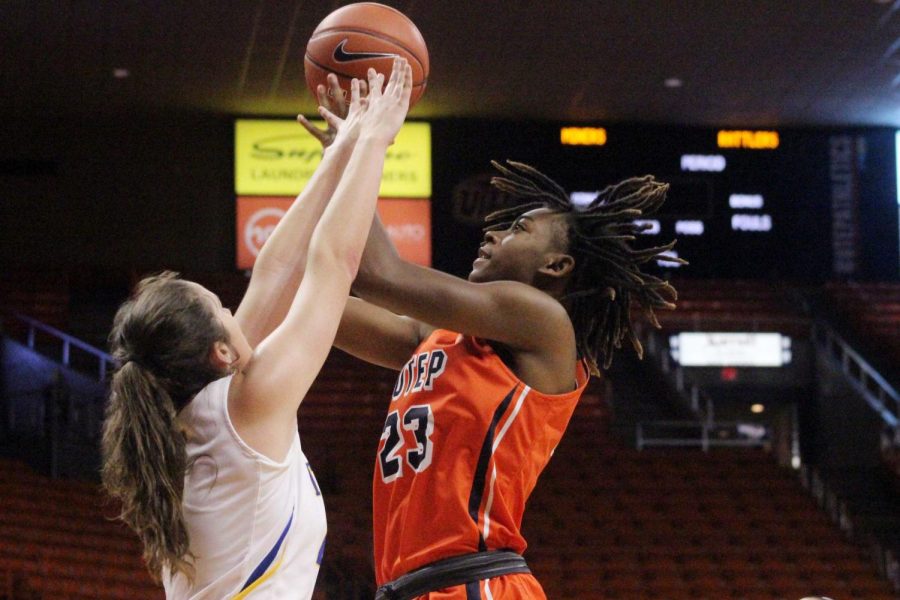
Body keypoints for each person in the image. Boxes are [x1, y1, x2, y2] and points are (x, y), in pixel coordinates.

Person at [301, 92, 685, 598]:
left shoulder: (542, 321)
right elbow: (318, 307)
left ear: (556, 266)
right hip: (411, 587)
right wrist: (338, 166)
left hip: (474, 582)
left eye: (517, 229)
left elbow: (376, 275)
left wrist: (363, 151)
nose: (491, 233)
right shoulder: (436, 338)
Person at [100, 58, 413, 599]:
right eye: (223, 308)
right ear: (221, 352)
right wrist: (374, 142)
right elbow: (333, 262)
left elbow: (274, 273)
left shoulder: (202, 413)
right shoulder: (247, 406)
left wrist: (338, 156)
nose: (233, 311)